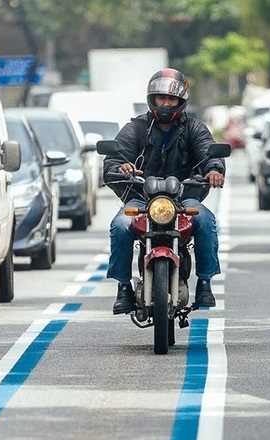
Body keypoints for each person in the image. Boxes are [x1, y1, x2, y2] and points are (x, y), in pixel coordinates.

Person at [103, 68, 226, 315]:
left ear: (181, 102)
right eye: (162, 98)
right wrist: (121, 167)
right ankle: (123, 286)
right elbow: (114, 159)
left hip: (184, 197)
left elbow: (208, 151)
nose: (167, 103)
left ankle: (205, 283)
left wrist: (213, 169)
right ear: (153, 99)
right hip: (141, 198)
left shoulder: (194, 129)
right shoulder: (135, 129)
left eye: (172, 99)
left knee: (205, 219)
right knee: (120, 226)